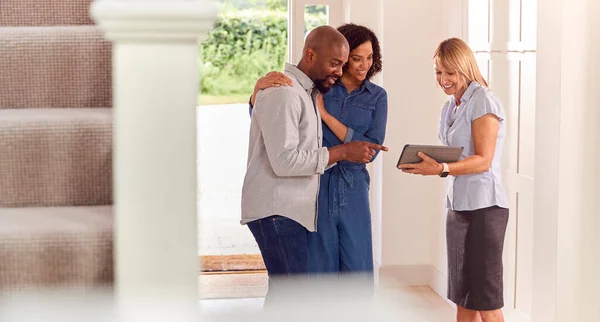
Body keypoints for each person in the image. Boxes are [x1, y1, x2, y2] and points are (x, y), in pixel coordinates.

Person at [241, 25, 387, 304]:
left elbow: (370, 147)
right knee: (310, 283)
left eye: (368, 58)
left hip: (345, 187)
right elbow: (277, 134)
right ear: (312, 55)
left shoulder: (368, 95)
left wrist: (335, 133)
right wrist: (255, 95)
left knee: (353, 274)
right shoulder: (306, 89)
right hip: (311, 189)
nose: (362, 65)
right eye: (351, 60)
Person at [398, 38, 509, 322]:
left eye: (450, 72)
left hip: (485, 209)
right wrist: (432, 164)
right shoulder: (451, 106)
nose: (443, 79)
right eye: (438, 72)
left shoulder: (483, 99)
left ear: (465, 68)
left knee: (485, 299)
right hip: (458, 207)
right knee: (463, 297)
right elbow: (455, 152)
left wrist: (441, 168)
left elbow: (483, 159)